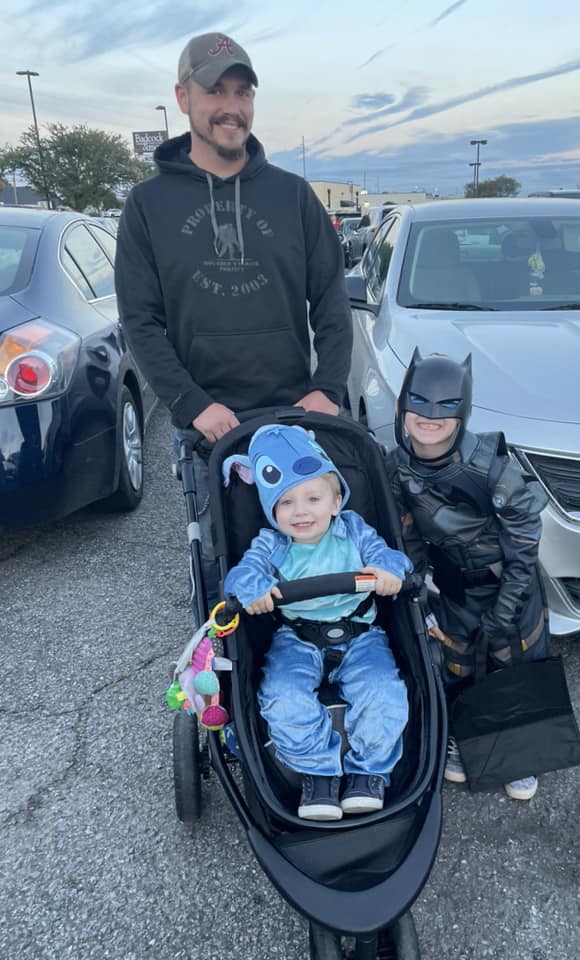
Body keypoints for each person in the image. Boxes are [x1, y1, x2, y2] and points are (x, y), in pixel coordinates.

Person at [114, 32, 352, 603]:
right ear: (183, 97)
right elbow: (140, 322)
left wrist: (328, 389)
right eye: (215, 90)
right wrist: (193, 404)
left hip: (294, 422)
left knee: (313, 568)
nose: (232, 106)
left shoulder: (294, 197)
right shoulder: (147, 206)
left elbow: (332, 301)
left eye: (242, 92)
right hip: (208, 431)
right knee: (229, 576)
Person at [224, 424, 411, 821]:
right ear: (272, 510)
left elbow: (388, 556)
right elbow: (242, 574)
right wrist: (254, 588)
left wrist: (388, 571)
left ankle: (368, 772)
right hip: (298, 637)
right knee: (282, 696)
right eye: (286, 502)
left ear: (336, 502)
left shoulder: (353, 530)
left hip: (361, 633)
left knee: (383, 691)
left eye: (313, 498)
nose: (301, 511)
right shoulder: (272, 543)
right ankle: (318, 773)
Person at [385, 350, 549, 801]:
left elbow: (524, 545)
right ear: (402, 407)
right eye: (419, 404)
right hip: (453, 586)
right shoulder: (396, 466)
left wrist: (506, 607)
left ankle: (520, 752)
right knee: (456, 661)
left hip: (507, 585)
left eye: (444, 407)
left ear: (463, 411)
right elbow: (406, 535)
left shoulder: (493, 468)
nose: (429, 417)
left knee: (510, 661)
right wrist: (417, 594)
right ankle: (464, 735)